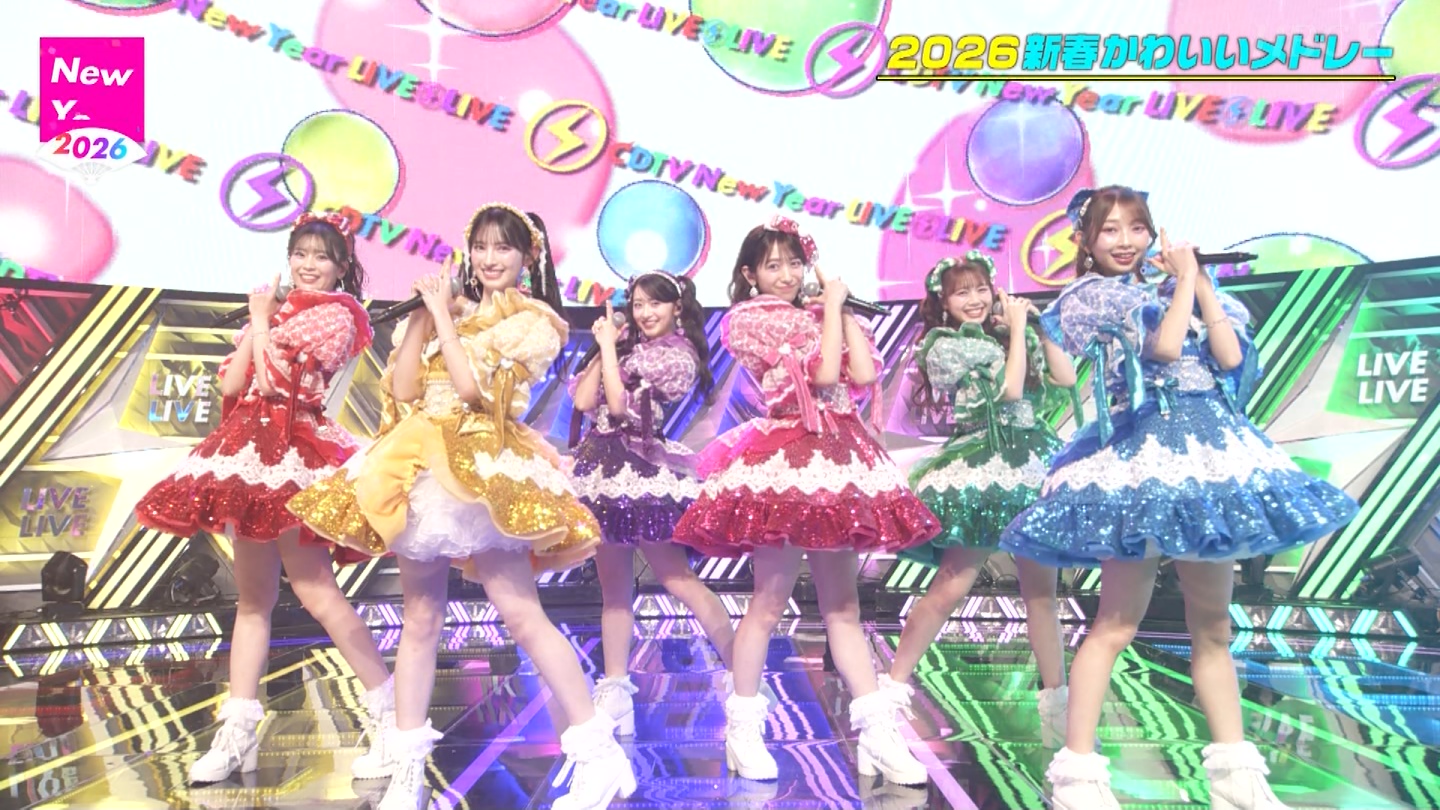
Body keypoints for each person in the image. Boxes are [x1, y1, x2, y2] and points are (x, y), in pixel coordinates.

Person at [999, 186, 1359, 810]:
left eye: (1137, 228)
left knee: (1213, 626)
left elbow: (1229, 358)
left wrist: (1200, 284)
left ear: (1153, 233)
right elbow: (1163, 349)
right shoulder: (1097, 296)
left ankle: (1236, 779)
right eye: (1110, 230)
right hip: (1142, 460)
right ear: (1086, 241)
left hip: (1210, 455)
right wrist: (1187, 281)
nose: (1125, 241)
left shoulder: (1177, 287)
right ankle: (1077, 774)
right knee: (1116, 623)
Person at [286, 204, 631, 810]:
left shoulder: (533, 322)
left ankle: (599, 754)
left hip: (486, 467)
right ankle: (407, 770)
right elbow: (403, 390)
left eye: (504, 248)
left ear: (527, 258)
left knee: (521, 615)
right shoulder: (452, 309)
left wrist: (443, 317)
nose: (490, 259)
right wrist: (425, 316)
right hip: (420, 462)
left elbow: (473, 391)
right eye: (482, 247)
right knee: (419, 616)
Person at [671, 215, 939, 785]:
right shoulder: (755, 318)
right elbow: (820, 376)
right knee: (768, 604)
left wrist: (840, 310)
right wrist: (831, 310)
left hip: (839, 457)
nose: (788, 274)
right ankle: (744, 728)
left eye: (795, 262)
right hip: (788, 459)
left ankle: (876, 734)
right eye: (773, 265)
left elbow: (860, 372)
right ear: (750, 274)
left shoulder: (819, 314)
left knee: (844, 608)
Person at [134, 212, 394, 784]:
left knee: (316, 590)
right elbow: (233, 385)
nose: (308, 265)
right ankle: (237, 734)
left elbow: (276, 381)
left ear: (341, 266)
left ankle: (390, 715)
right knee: (252, 601)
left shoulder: (338, 315)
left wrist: (259, 320)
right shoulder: (278, 312)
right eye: (300, 253)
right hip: (248, 453)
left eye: (321, 256)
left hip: (295, 454)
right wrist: (261, 321)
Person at [883, 251, 1077, 743]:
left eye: (981, 289)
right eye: (961, 292)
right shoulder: (945, 345)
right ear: (944, 302)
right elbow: (1009, 392)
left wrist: (1039, 329)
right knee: (952, 584)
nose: (974, 299)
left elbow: (1066, 379)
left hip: (1032, 464)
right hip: (981, 468)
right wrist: (1016, 331)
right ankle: (891, 693)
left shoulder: (1010, 334)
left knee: (1042, 595)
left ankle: (1057, 709)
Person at [568, 270, 770, 734]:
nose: (644, 313)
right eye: (637, 304)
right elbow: (583, 402)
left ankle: (742, 675)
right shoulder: (624, 349)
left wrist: (608, 350)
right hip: (600, 470)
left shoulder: (674, 355)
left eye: (654, 303)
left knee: (677, 578)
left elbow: (618, 407)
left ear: (677, 307)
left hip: (640, 470)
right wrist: (605, 346)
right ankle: (616, 690)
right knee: (613, 590)